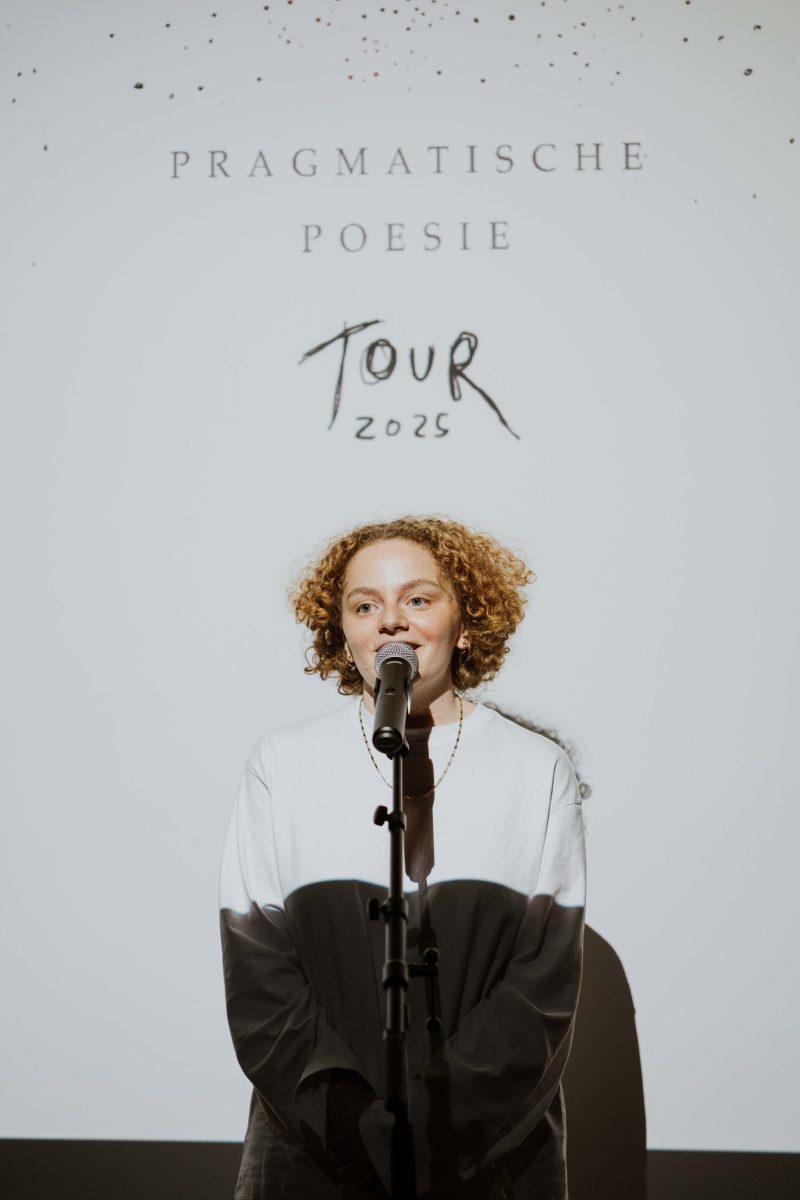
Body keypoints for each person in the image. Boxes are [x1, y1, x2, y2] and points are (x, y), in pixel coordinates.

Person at [220, 516, 586, 1199]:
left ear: (466, 623)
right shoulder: (283, 764)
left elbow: (543, 982)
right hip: (318, 1156)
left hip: (484, 1156)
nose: (391, 620)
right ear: (344, 635)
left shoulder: (537, 770)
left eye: (418, 599)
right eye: (365, 606)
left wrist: (431, 1128)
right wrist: (348, 1124)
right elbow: (258, 970)